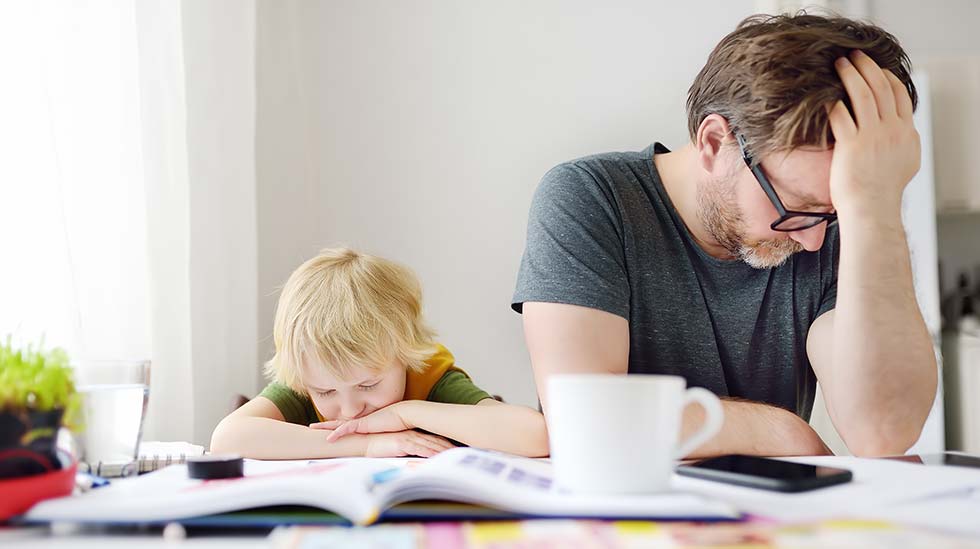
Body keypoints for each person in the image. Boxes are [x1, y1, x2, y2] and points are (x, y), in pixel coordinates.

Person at [513, 13, 937, 458]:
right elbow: (586, 421)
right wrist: (780, 431)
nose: (814, 241)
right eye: (797, 206)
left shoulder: (842, 222)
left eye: (832, 214)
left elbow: (882, 431)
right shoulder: (591, 196)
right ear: (715, 143)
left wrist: (875, 207)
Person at [212, 248, 548, 459]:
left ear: (404, 356)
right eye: (326, 392)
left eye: (369, 385)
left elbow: (537, 436)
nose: (349, 409)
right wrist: (367, 445)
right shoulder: (306, 380)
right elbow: (227, 439)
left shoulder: (427, 377)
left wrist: (407, 413)